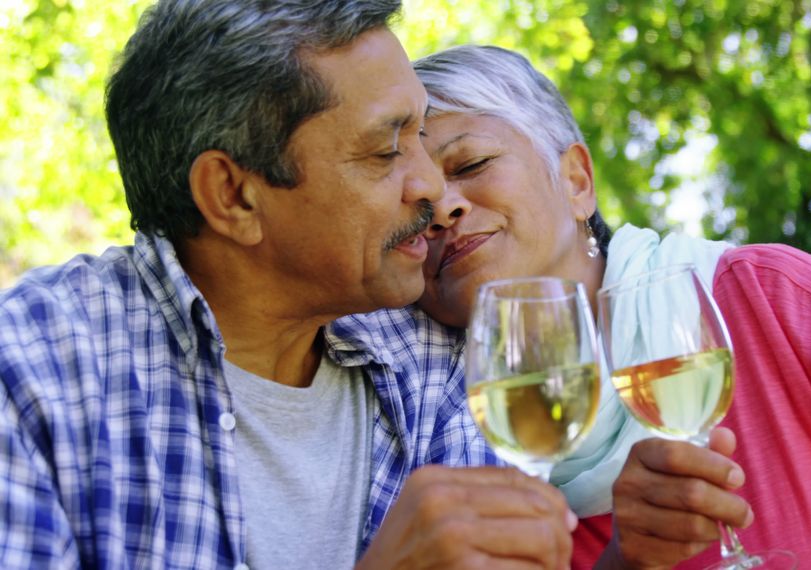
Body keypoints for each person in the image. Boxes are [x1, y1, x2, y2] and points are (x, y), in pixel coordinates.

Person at [409, 44, 811, 568]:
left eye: (469, 162)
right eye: (415, 207)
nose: (443, 208)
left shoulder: (763, 298)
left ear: (577, 180)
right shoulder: (429, 446)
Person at [0, 3, 579, 569]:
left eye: (421, 134)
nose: (430, 184)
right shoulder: (35, 373)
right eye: (385, 151)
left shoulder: (439, 359)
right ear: (233, 196)